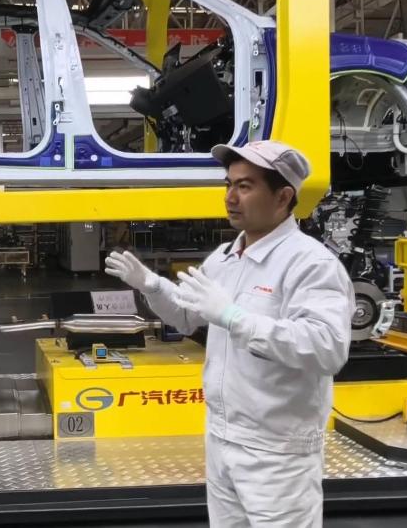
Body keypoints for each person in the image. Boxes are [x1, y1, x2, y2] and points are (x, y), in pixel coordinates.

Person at [105, 140, 353, 527]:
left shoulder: (310, 263)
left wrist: (234, 318)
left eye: (245, 186)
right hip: (221, 439)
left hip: (277, 451)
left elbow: (326, 348)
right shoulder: (225, 257)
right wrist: (153, 286)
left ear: (283, 196)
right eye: (229, 184)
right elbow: (185, 316)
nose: (230, 197)